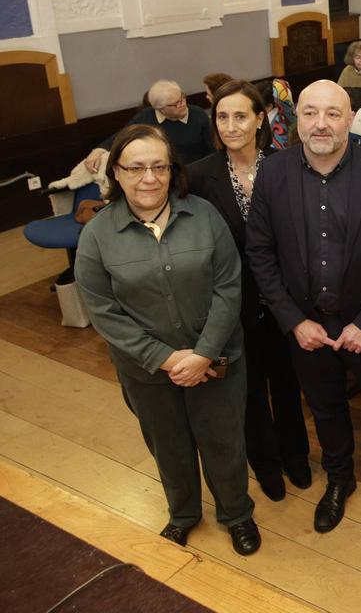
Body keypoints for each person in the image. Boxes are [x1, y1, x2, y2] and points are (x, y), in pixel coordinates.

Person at [246, 81, 361, 530]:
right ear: (295, 121)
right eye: (310, 113)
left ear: (350, 119)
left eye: (332, 113)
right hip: (307, 326)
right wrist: (293, 321)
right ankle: (339, 478)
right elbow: (260, 254)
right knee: (325, 407)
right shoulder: (273, 173)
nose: (321, 123)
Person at [76, 124, 261, 555]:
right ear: (116, 173)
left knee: (224, 440)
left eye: (159, 166)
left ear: (172, 169)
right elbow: (104, 310)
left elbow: (229, 286)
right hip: (146, 371)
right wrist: (163, 358)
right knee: (167, 444)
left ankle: (236, 514)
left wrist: (202, 355)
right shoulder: (97, 235)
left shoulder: (204, 215)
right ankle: (183, 515)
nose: (149, 178)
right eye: (136, 167)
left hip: (216, 362)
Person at [186, 81, 310, 503]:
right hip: (233, 303)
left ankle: (296, 455)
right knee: (248, 388)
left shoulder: (288, 164)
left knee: (289, 383)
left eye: (240, 116)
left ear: (260, 119)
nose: (231, 125)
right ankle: (266, 462)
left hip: (287, 299)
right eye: (222, 117)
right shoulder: (201, 175)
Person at [85, 80, 215, 172]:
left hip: (192, 172)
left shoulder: (198, 114)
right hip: (158, 172)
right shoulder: (146, 116)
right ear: (160, 109)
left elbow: (211, 151)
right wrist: (99, 150)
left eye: (182, 98)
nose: (182, 104)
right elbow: (124, 135)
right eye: (175, 104)